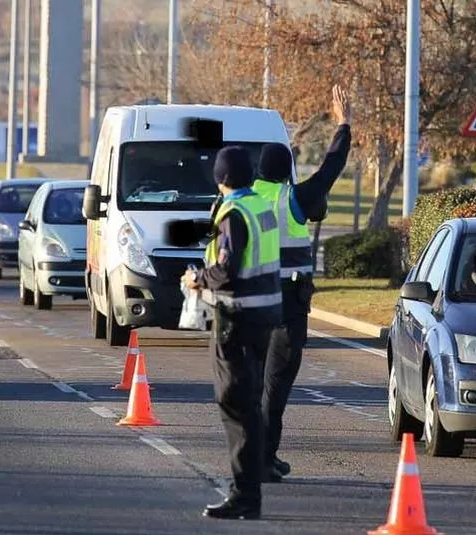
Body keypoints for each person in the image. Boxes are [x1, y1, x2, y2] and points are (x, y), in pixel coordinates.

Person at [252, 85, 352, 482]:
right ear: (286, 169)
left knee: (253, 386)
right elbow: (332, 167)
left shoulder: (240, 200)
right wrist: (343, 124)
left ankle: (258, 457)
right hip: (287, 309)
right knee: (274, 389)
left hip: (248, 307)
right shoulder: (293, 200)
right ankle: (263, 458)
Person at [181, 146, 283, 520]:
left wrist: (196, 279)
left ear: (221, 178)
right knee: (250, 406)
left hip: (237, 320)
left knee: (236, 407)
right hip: (265, 316)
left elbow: (227, 269)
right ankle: (249, 488)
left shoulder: (235, 213)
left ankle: (245, 495)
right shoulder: (261, 207)